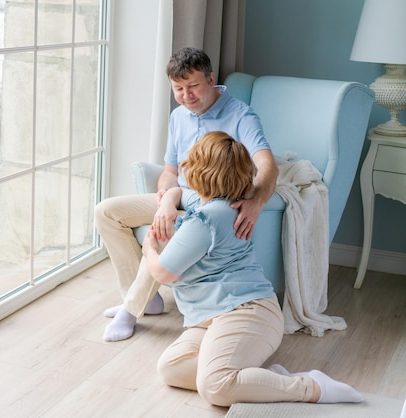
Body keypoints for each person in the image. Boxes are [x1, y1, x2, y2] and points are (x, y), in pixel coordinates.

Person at [141, 131, 363, 407]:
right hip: (211, 316)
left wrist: (149, 249)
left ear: (198, 171)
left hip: (248, 312)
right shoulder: (220, 203)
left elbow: (163, 273)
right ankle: (257, 379)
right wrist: (166, 204)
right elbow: (178, 193)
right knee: (171, 368)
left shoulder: (206, 220)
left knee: (214, 387)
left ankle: (311, 387)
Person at [95, 47, 278, 339]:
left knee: (168, 231)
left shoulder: (242, 115)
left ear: (210, 79)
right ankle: (144, 299)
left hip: (215, 203)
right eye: (178, 89)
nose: (186, 96)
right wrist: (166, 195)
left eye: (193, 86)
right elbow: (170, 171)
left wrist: (256, 201)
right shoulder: (179, 116)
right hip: (182, 195)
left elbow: (268, 165)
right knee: (106, 211)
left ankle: (130, 310)